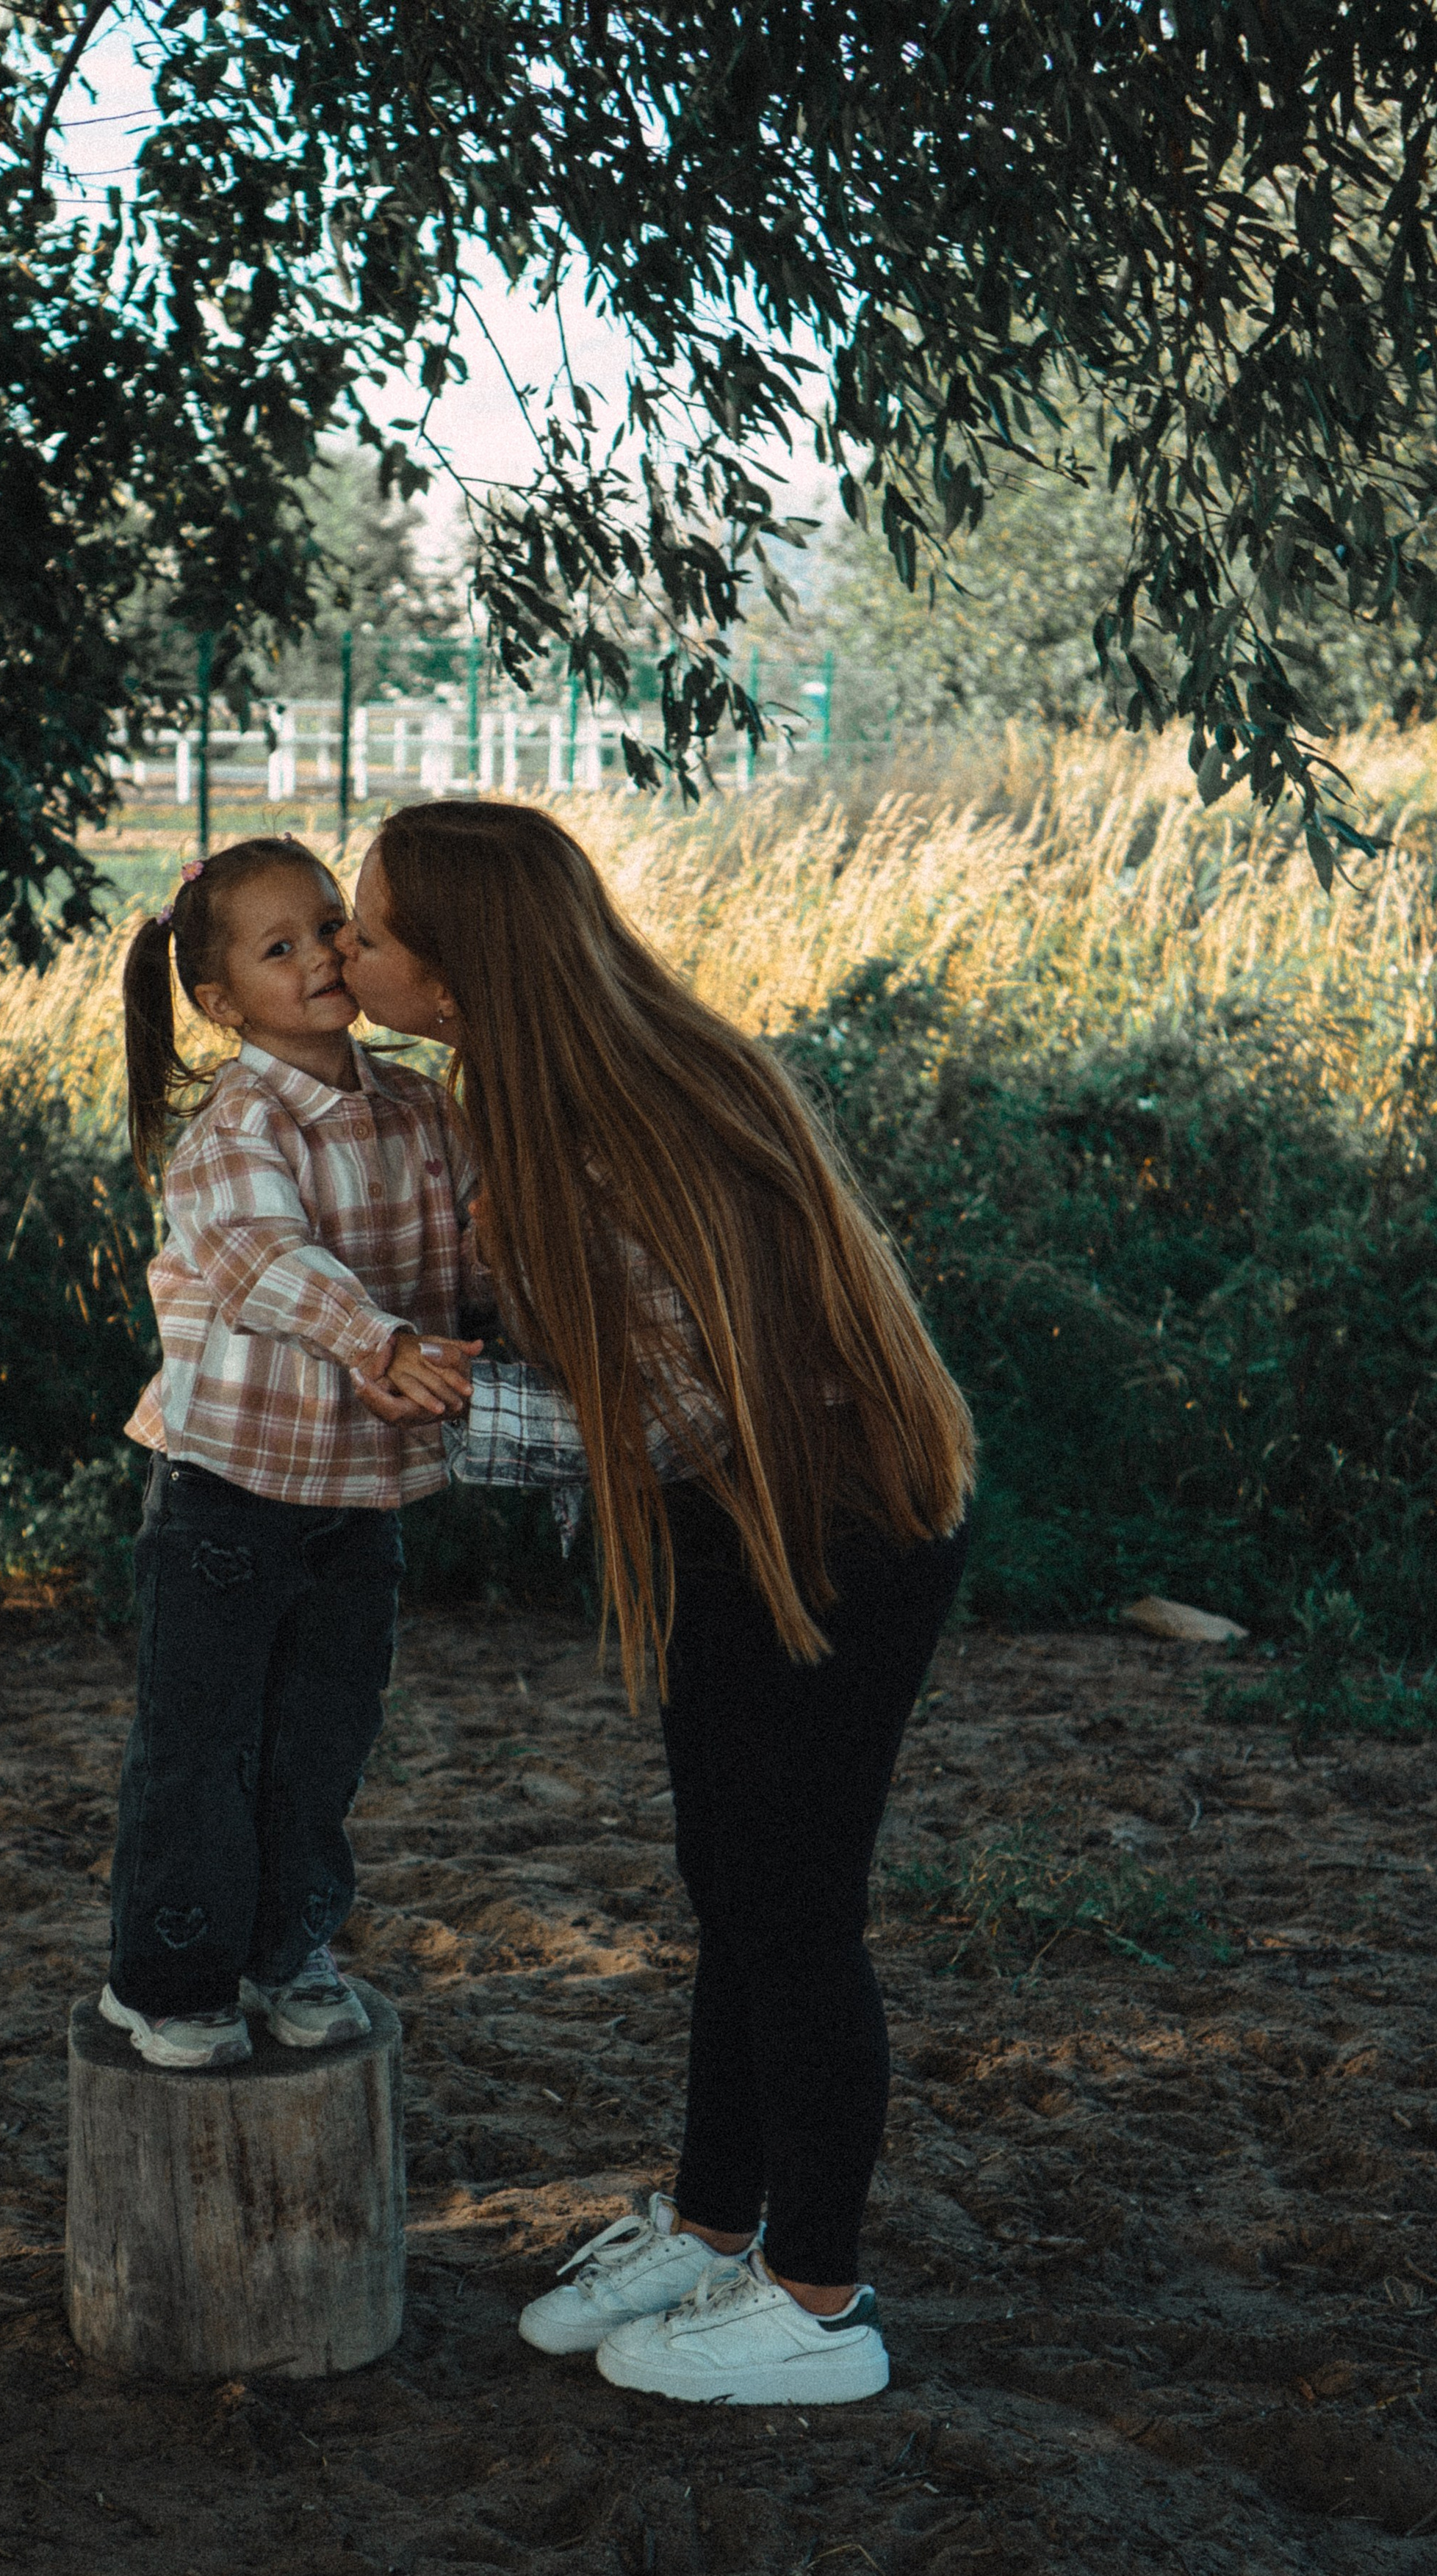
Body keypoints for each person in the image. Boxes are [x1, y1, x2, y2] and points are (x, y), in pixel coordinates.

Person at [339, 800, 973, 2406]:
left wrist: (430, 1408)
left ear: (459, 970)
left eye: (368, 929)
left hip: (828, 1525)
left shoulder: (618, 1131)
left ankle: (817, 2300)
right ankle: (712, 2226)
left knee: (792, 1906)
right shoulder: (543, 1095)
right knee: (731, 1883)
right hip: (734, 1523)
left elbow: (675, 1418)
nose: (344, 952)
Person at [101, 834, 485, 2070]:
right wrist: (382, 1340)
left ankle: (288, 1953)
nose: (322, 954)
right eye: (281, 948)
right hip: (228, 1491)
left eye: (330, 925)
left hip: (358, 1494)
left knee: (323, 1737)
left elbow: (472, 1246)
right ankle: (166, 1983)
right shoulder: (237, 1127)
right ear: (223, 1003)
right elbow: (267, 1262)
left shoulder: (420, 1106)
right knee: (201, 1744)